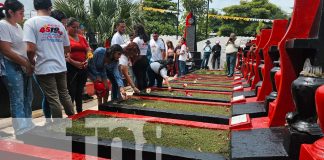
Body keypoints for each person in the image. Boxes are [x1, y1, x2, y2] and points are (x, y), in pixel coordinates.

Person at [24, 0, 75, 118]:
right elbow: (67, 48)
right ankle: (73, 119)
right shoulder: (59, 25)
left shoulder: (31, 23)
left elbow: (30, 49)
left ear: (35, 6)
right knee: (64, 94)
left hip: (44, 66)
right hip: (61, 66)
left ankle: (58, 127)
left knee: (53, 98)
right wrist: (55, 51)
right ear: (50, 8)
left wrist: (31, 62)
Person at [0, 0, 35, 135]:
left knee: (28, 96)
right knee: (18, 97)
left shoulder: (18, 27)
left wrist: (30, 61)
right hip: (11, 65)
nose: (23, 15)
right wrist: (25, 63)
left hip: (24, 64)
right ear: (10, 12)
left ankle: (28, 123)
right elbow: (6, 51)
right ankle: (21, 128)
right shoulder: (3, 25)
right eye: (20, 12)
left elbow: (23, 47)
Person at [66, 17, 91, 113]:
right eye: (74, 27)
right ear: (67, 27)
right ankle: (70, 113)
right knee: (71, 91)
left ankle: (80, 111)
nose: (76, 29)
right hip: (71, 68)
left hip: (83, 67)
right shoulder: (65, 37)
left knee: (80, 91)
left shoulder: (81, 38)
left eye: (77, 27)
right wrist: (74, 63)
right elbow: (66, 54)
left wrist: (88, 59)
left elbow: (88, 49)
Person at [132, 24, 150, 90]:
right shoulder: (146, 39)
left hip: (138, 59)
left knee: (138, 77)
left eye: (134, 30)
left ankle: (140, 92)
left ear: (136, 30)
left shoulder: (136, 39)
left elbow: (132, 49)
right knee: (143, 77)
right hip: (145, 59)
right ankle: (145, 91)